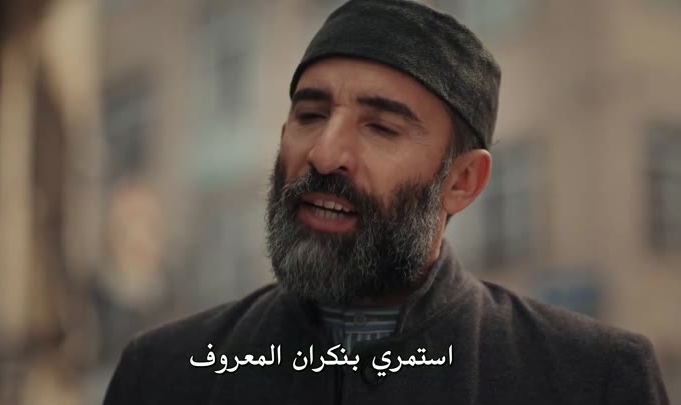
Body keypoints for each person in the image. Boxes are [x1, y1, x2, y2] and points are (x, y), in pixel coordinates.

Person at [103, 0, 669, 403]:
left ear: (462, 182)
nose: (325, 154)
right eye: (310, 115)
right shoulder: (163, 374)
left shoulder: (591, 380)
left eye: (381, 127)